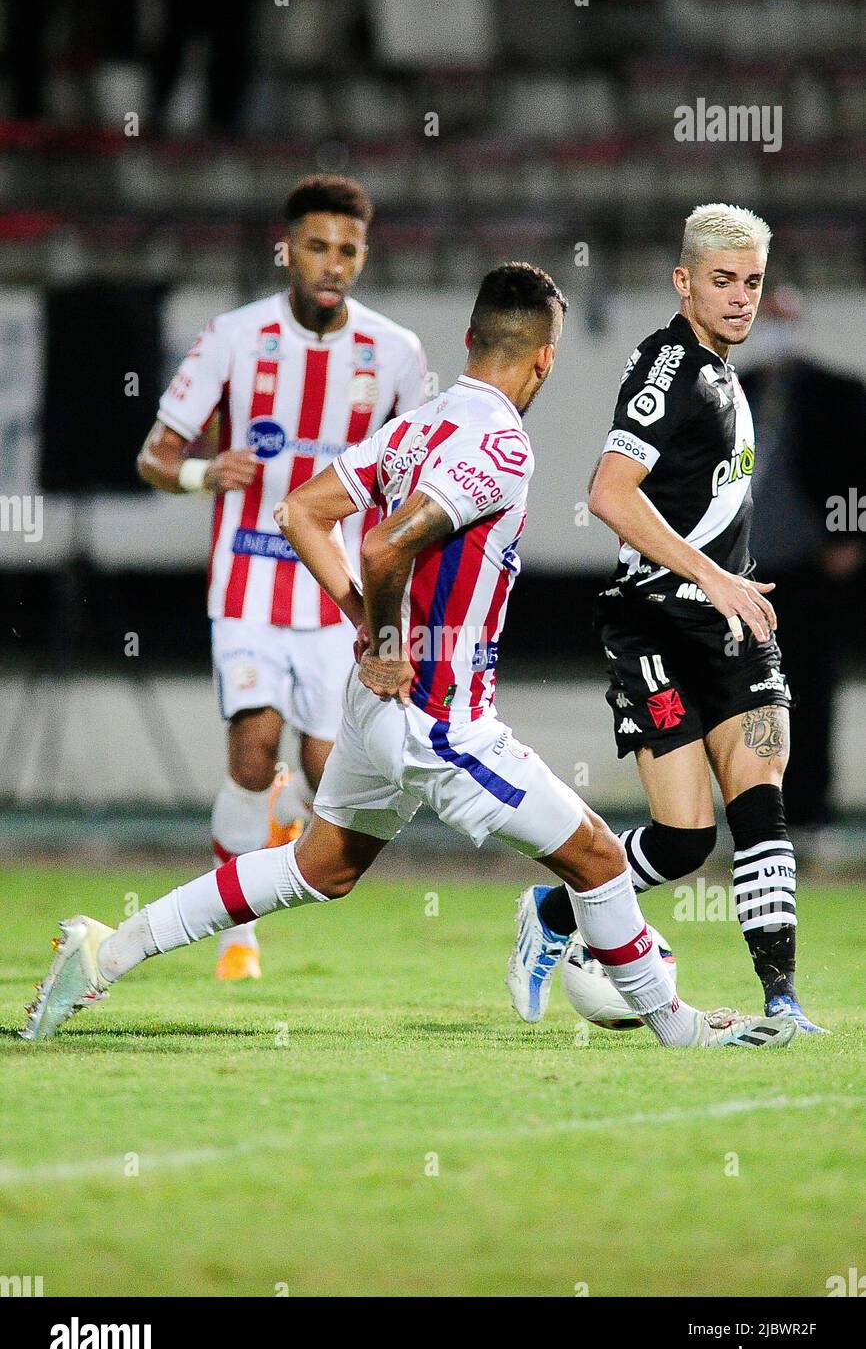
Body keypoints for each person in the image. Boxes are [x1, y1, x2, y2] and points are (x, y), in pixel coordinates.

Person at [21, 263, 795, 1052]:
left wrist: (363, 620)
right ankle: (682, 1029)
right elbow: (388, 544)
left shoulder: (420, 422)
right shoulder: (500, 444)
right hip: (440, 722)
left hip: (376, 711)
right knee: (596, 857)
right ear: (546, 359)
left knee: (319, 868)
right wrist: (386, 641)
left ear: (469, 338)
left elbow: (300, 512)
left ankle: (106, 949)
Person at [507, 205, 826, 1035]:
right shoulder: (671, 363)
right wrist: (714, 576)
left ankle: (782, 1003)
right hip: (654, 623)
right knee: (683, 842)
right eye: (722, 281)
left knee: (760, 800)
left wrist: (729, 588)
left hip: (732, 623)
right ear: (684, 282)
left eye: (752, 282)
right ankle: (553, 913)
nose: (740, 298)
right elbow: (609, 494)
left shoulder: (727, 373)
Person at [137, 173, 428, 980]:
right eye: (317, 246)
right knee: (254, 750)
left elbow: (422, 471)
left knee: (324, 776)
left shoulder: (396, 353)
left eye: (348, 249)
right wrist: (202, 475)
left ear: (363, 256)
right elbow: (155, 455)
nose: (332, 263)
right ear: (287, 249)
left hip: (338, 592)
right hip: (248, 582)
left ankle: (277, 826)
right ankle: (237, 934)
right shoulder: (234, 336)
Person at [740, 286, 866, 842]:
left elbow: (857, 469)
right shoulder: (734, 390)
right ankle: (756, 810)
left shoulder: (835, 393)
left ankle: (811, 809)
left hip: (807, 563)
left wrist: (849, 535)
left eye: (783, 318)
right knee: (748, 692)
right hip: (742, 570)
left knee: (811, 686)